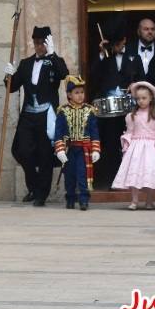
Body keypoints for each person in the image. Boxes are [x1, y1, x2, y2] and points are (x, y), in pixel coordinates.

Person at [5, 26, 68, 206]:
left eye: (42, 43)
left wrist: (52, 55)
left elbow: (64, 74)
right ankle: (33, 186)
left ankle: (41, 194)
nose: (39, 46)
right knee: (21, 150)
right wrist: (8, 75)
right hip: (28, 115)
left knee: (45, 154)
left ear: (48, 43)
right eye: (36, 43)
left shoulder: (54, 61)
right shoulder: (26, 63)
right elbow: (12, 88)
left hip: (46, 115)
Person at [111, 81, 155, 210]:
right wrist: (126, 148)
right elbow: (129, 133)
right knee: (134, 173)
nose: (141, 101)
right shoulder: (131, 116)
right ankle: (134, 200)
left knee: (150, 173)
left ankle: (149, 201)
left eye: (144, 98)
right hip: (136, 149)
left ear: (151, 98)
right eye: (138, 99)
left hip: (151, 149)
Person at [94, 19, 138, 187]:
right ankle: (113, 179)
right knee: (111, 145)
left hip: (130, 109)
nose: (117, 47)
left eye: (119, 43)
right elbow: (94, 75)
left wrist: (134, 86)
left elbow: (140, 77)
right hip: (109, 111)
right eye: (114, 44)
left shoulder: (133, 56)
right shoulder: (105, 57)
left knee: (131, 145)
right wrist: (101, 53)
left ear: (124, 40)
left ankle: (132, 180)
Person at [53, 76, 100, 210]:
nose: (80, 96)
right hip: (69, 149)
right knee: (69, 175)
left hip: (84, 149)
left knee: (82, 174)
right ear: (69, 94)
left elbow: (94, 131)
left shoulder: (89, 110)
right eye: (76, 93)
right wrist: (60, 149)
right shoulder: (62, 111)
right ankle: (70, 198)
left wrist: (96, 149)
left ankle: (84, 199)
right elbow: (59, 132)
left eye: (82, 92)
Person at [125, 18, 155, 108]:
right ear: (138, 31)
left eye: (152, 29)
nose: (150, 32)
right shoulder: (128, 50)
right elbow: (122, 73)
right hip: (133, 103)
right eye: (146, 29)